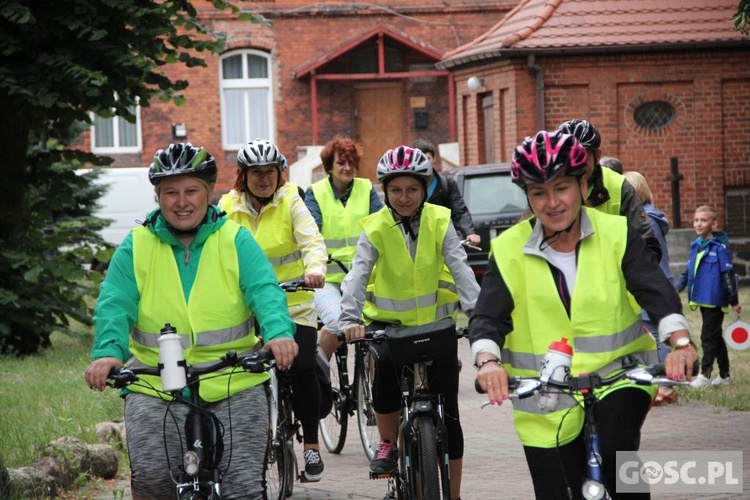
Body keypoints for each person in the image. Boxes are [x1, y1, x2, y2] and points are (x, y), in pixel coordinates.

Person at [470, 130, 697, 499]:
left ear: (583, 184)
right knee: (555, 489)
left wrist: (681, 343)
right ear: (527, 196)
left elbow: (655, 292)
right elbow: (488, 318)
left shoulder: (616, 233)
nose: (552, 202)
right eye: (538, 192)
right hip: (544, 394)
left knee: (617, 456)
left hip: (617, 377)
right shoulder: (509, 248)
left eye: (562, 188)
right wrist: (487, 363)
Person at [85, 142, 298, 500]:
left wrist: (278, 333)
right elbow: (114, 304)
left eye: (191, 191)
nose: (181, 202)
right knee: (153, 480)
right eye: (170, 192)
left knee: (243, 488)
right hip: (154, 383)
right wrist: (108, 352)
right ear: (157, 196)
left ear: (209, 192)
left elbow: (265, 291)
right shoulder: (136, 246)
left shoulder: (235, 239)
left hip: (233, 380)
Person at [339, 145, 480, 500]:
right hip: (391, 327)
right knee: (384, 373)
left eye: (413, 189)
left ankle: (455, 494)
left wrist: (479, 314)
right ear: (384, 190)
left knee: (450, 412)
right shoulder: (375, 228)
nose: (404, 197)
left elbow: (460, 267)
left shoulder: (440, 220)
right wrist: (349, 318)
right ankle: (387, 444)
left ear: (425, 189)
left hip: (437, 327)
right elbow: (357, 274)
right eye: (396, 190)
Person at [218, 138, 329, 482]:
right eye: (256, 173)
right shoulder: (227, 206)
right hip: (248, 310)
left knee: (303, 368)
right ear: (243, 175)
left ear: (280, 174)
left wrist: (315, 270)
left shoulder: (291, 200)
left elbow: (311, 240)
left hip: (293, 305)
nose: (264, 179)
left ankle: (311, 444)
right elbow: (213, 248)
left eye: (270, 172)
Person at [304, 135, 383, 360]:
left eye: (351, 162)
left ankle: (369, 388)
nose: (347, 168)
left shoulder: (366, 188)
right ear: (330, 166)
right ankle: (320, 367)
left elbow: (382, 224)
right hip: (327, 280)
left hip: (363, 277)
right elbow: (310, 232)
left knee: (376, 331)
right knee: (339, 323)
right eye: (341, 163)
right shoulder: (316, 192)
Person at [556, 119, 662, 261]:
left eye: (582, 158)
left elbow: (646, 245)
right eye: (568, 158)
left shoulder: (618, 186)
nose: (575, 165)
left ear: (598, 156)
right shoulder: (549, 186)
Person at [623, 170, 678, 404]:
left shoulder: (647, 220)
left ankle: (667, 386)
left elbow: (649, 257)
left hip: (654, 283)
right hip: (655, 282)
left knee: (659, 336)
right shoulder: (650, 218)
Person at [675, 205, 742, 389]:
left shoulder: (720, 248)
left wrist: (734, 300)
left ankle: (704, 375)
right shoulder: (695, 246)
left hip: (714, 299)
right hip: (701, 299)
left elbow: (727, 276)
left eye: (703, 220)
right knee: (715, 336)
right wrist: (676, 288)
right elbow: (688, 271)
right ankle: (725, 374)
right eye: (696, 220)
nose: (699, 223)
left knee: (707, 337)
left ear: (714, 223)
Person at [412, 138, 480, 246]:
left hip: (443, 240)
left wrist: (469, 232)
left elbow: (460, 211)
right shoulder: (408, 186)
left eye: (427, 158)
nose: (424, 163)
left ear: (434, 159)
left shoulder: (446, 184)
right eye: (420, 159)